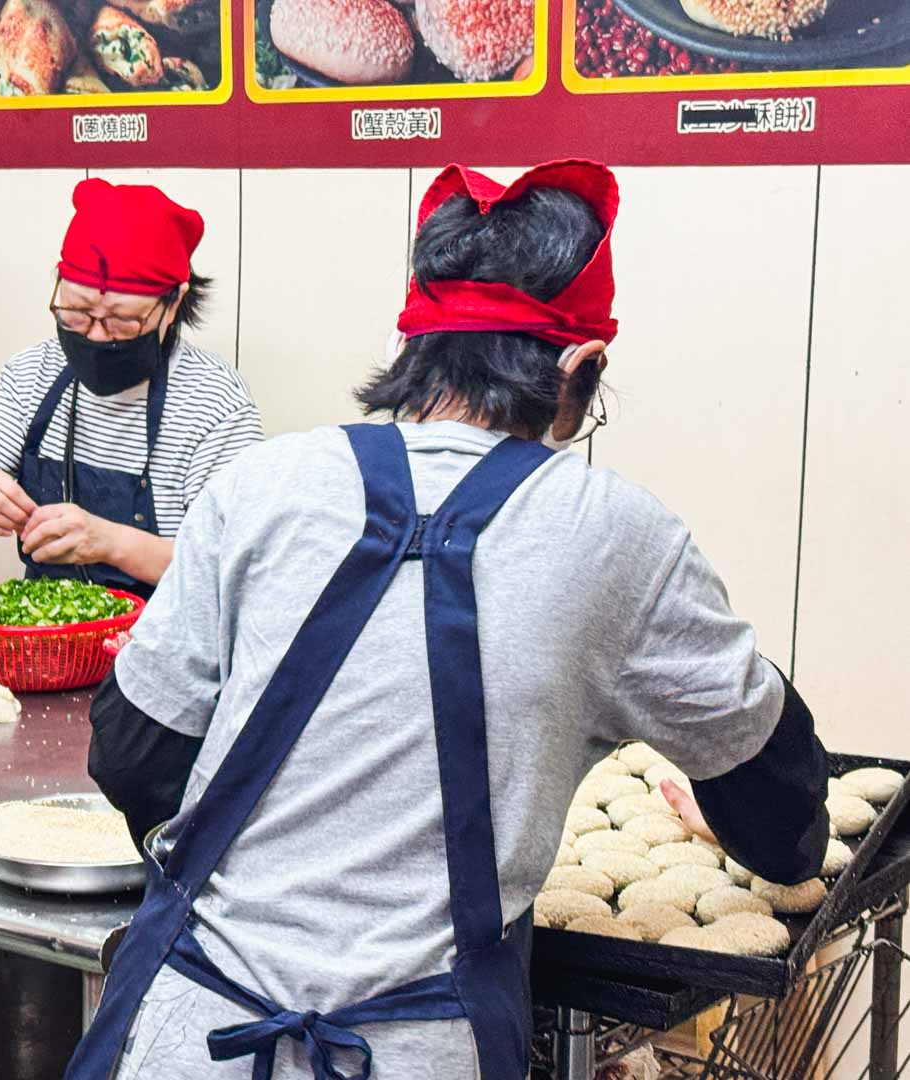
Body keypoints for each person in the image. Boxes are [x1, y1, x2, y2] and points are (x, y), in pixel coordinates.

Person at [71, 160, 831, 1080]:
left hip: (189, 1034)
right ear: (580, 367)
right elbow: (779, 815)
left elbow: (131, 753)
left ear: (412, 347)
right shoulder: (616, 533)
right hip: (414, 1052)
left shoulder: (263, 484)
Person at [0, 179, 263, 598]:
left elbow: (229, 571)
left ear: (173, 304)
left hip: (168, 653)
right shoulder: (32, 375)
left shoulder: (215, 403)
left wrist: (110, 542)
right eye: (77, 313)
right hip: (48, 651)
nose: (97, 336)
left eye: (121, 320)